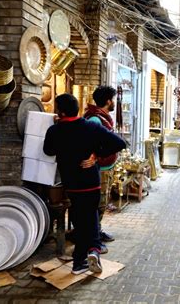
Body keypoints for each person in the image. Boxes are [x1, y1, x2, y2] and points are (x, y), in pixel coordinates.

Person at [43, 94, 126, 275]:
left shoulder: (55, 131)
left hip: (71, 184)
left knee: (82, 221)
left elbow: (47, 150)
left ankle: (88, 254)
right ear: (77, 109)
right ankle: (88, 255)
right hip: (90, 182)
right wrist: (97, 155)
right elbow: (120, 143)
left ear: (61, 111)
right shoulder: (91, 127)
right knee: (90, 218)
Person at [83, 86, 117, 254]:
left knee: (102, 203)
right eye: (113, 99)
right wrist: (94, 157)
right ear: (108, 101)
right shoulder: (95, 119)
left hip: (106, 166)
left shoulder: (103, 117)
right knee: (98, 204)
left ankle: (97, 231)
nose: (114, 102)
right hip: (99, 169)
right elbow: (87, 142)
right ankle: (92, 239)